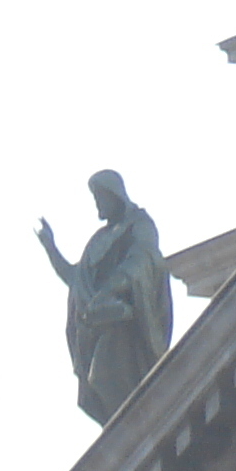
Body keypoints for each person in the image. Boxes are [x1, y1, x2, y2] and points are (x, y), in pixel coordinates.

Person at [36, 170, 172, 424]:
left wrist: (111, 291)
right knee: (97, 384)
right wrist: (50, 248)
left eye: (100, 197)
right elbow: (76, 279)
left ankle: (129, 428)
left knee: (103, 377)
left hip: (125, 326)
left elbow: (142, 261)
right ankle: (122, 430)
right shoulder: (99, 239)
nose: (97, 204)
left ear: (114, 195)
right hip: (96, 327)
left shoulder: (139, 225)